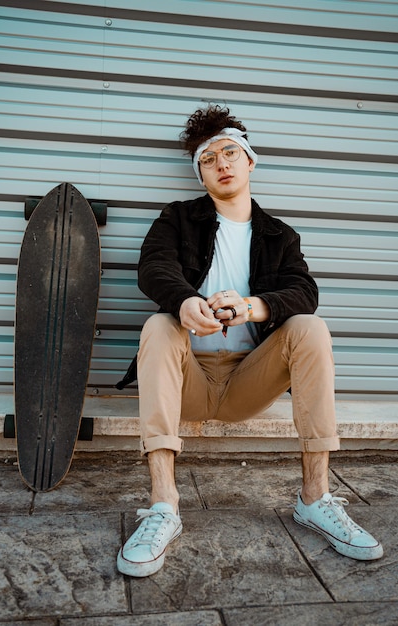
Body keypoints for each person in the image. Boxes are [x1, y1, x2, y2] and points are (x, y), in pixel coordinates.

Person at [116, 104, 383, 577]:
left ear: (250, 161)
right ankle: (163, 506)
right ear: (199, 174)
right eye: (208, 158)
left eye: (230, 152)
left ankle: (315, 497)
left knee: (310, 327)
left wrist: (250, 307)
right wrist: (185, 304)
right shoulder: (177, 219)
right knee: (158, 324)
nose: (221, 163)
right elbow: (154, 268)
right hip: (188, 382)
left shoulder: (279, 235)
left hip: (247, 380)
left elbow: (305, 292)